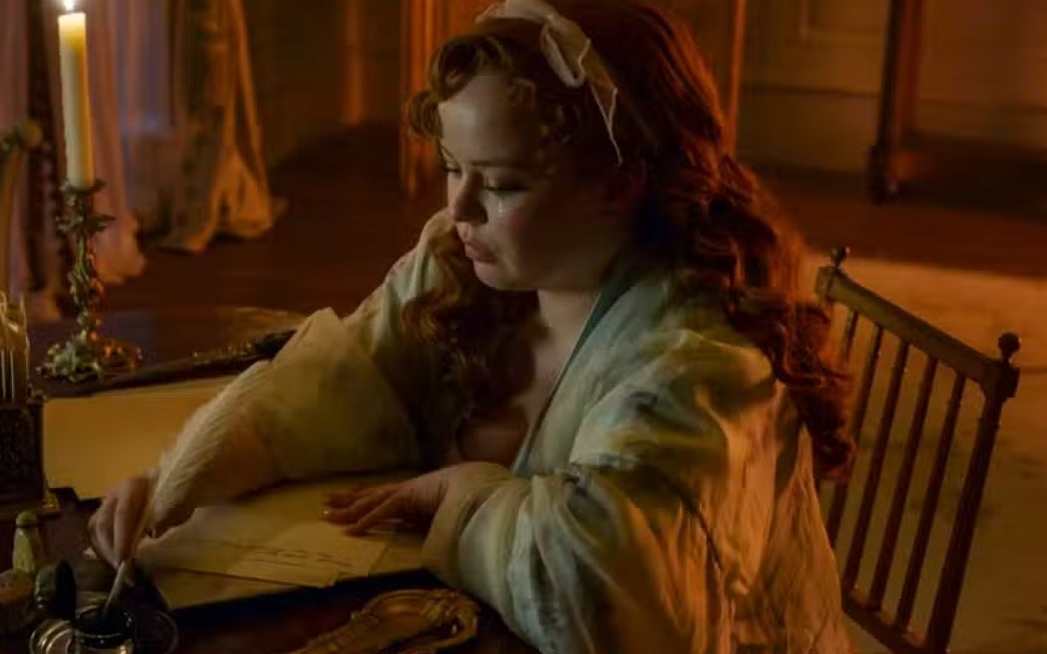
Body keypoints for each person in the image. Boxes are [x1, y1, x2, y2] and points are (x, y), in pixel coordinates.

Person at [90, 0, 856, 651]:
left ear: (619, 185)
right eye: (453, 167)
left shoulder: (698, 361)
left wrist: (466, 496)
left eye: (503, 184)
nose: (458, 208)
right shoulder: (466, 261)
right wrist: (181, 480)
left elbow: (604, 595)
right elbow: (337, 380)